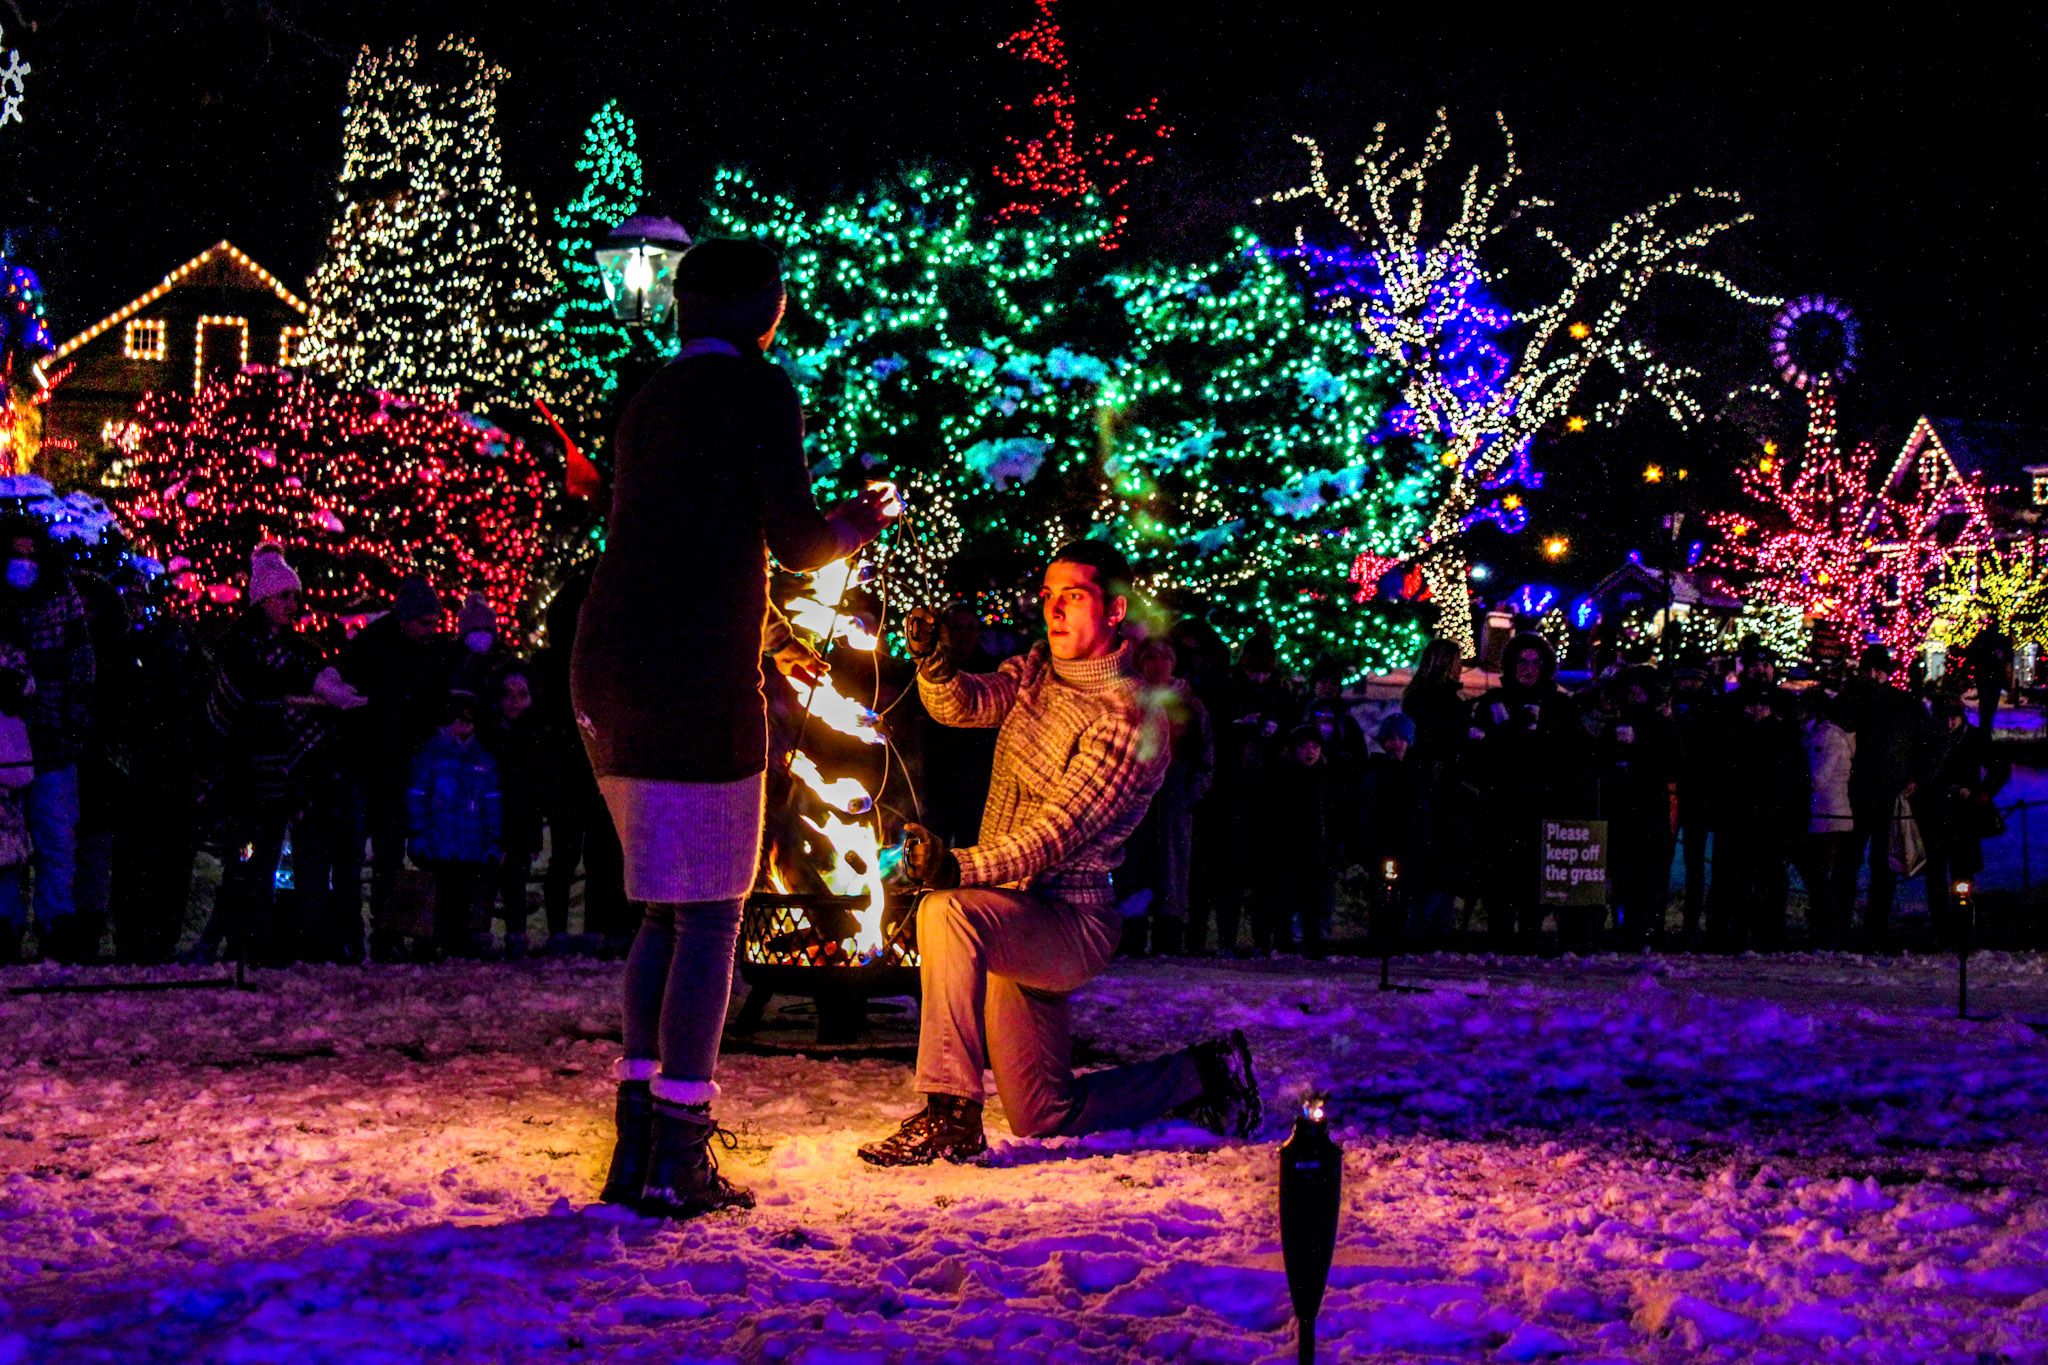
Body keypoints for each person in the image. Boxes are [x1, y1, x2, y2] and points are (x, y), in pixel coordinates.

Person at [571, 238, 897, 1218]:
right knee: (710, 911)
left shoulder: (647, 395)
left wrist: (761, 645)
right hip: (690, 693)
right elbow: (797, 544)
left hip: (607, 674)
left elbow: (679, 546)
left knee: (663, 911)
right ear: (769, 308)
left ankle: (638, 1143)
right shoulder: (761, 392)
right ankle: (680, 1152)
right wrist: (860, 519)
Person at [861, 541, 1260, 1166]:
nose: (1054, 610)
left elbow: (1057, 833)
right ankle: (1204, 1073)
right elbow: (966, 705)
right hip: (1010, 912)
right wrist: (934, 666)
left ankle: (949, 1114)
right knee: (1044, 1111)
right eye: (1048, 596)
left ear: (1114, 610)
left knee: (946, 910)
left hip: (1069, 922)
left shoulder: (1132, 717)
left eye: (1073, 596)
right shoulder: (1035, 672)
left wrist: (954, 868)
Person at [193, 545, 352, 965]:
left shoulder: (303, 651)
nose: (292, 605)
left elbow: (313, 690)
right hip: (247, 778)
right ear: (262, 598)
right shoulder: (239, 650)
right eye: (284, 596)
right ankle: (244, 940)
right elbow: (231, 709)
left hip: (295, 776)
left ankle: (299, 941)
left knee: (306, 862)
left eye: (295, 597)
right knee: (249, 863)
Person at [336, 576, 449, 960]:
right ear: (405, 619)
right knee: (357, 852)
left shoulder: (431, 652)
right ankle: (352, 933)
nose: (431, 630)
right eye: (425, 623)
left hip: (403, 763)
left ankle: (388, 932)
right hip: (370, 760)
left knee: (391, 853)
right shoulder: (373, 648)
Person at [0, 515, 95, 961]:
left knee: (57, 840)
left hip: (54, 741)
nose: (24, 564)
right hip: (6, 744)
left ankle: (56, 924)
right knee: (5, 843)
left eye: (31, 555)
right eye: (16, 555)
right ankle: (6, 925)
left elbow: (82, 662)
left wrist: (73, 718)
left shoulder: (62, 597)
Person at [1466, 632, 1583, 947]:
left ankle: (1531, 931)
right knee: (1500, 871)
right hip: (1502, 802)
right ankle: (1500, 934)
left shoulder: (1560, 705)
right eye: (1522, 661)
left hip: (1545, 801)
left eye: (1535, 662)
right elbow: (1476, 749)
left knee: (1535, 872)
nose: (1528, 669)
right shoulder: (1493, 702)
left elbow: (1575, 752)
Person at [1116, 636, 1213, 956]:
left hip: (1173, 798)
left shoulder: (1189, 706)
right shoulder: (1128, 702)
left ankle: (1167, 940)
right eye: (1150, 659)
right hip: (1136, 799)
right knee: (1134, 867)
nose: (1157, 666)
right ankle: (1132, 938)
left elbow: (1204, 756)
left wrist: (1189, 796)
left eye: (1163, 659)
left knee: (1170, 870)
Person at [1840, 644, 1934, 948]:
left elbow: (1926, 745)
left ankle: (1875, 928)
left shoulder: (1905, 704)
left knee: (1883, 864)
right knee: (1848, 861)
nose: (1873, 675)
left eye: (1878, 669)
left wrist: (1916, 780)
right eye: (1868, 669)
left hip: (1889, 794)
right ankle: (1841, 923)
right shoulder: (1853, 700)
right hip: (1855, 794)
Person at [1707, 680, 1808, 950]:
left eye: (1762, 706)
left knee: (1770, 882)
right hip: (1740, 818)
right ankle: (1734, 935)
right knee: (1736, 882)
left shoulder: (1784, 739)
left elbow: (1798, 784)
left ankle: (1768, 936)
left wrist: (1795, 823)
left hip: (1772, 820)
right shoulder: (1733, 734)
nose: (1757, 710)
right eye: (1753, 705)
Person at [406, 694, 503, 959]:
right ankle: (431, 938)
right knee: (439, 891)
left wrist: (493, 838)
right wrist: (417, 831)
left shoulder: (482, 759)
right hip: (438, 840)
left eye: (468, 722)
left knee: (462, 892)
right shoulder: (431, 754)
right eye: (459, 720)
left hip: (469, 843)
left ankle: (456, 938)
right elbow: (417, 794)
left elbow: (491, 802)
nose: (463, 727)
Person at [1920, 697, 2011, 943]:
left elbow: (2001, 768)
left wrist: (1980, 791)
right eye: (1945, 718)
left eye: (1954, 717)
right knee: (1936, 874)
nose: (1949, 723)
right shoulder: (1933, 739)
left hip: (1963, 815)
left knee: (1962, 873)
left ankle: (1962, 923)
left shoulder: (1973, 738)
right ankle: (1940, 925)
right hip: (1936, 814)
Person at [482, 668, 552, 957]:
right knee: (486, 878)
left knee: (515, 878)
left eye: (521, 695)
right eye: (507, 695)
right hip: (490, 816)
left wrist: (533, 834)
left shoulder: (534, 738)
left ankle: (516, 932)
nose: (514, 702)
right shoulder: (489, 736)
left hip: (521, 818)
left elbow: (534, 789)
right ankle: (479, 932)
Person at [0, 623, 35, 963]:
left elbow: (25, 687)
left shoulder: (11, 655)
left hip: (8, 768)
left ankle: (8, 932)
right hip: (10, 765)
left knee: (9, 864)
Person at [1958, 618, 2013, 736]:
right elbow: (2009, 656)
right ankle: (1986, 728)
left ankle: (1985, 728)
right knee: (1989, 702)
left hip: (1986, 674)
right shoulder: (1996, 640)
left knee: (1987, 702)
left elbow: (1970, 654)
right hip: (1989, 674)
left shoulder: (1984, 638)